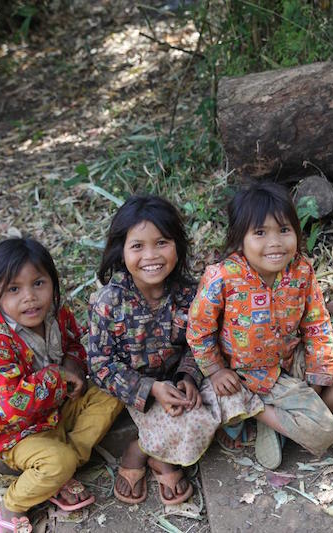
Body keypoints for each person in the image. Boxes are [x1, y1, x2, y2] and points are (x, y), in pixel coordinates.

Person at [187, 182, 333, 469]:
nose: (275, 242)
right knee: (326, 432)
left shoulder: (301, 270)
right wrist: (215, 370)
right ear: (240, 240)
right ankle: (256, 410)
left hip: (293, 357)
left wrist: (319, 372)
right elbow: (198, 329)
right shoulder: (222, 277)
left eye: (284, 230)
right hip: (253, 376)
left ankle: (281, 424)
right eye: (260, 233)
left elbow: (316, 323)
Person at [87, 196, 261, 505]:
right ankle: (141, 450)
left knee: (235, 390)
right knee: (190, 420)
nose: (151, 255)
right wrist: (152, 389)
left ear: (177, 246)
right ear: (121, 250)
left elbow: (201, 340)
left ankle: (157, 447)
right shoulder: (108, 303)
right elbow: (101, 366)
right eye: (137, 246)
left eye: (162, 242)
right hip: (141, 393)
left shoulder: (189, 293)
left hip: (184, 383)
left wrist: (188, 378)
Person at [0, 238, 122, 533]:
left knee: (110, 394)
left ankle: (62, 468)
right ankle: (11, 506)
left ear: (52, 282)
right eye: (14, 289)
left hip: (59, 411)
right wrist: (58, 376)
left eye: (38, 283)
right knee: (57, 461)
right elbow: (12, 404)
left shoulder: (57, 315)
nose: (30, 297)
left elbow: (75, 344)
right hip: (17, 433)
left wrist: (75, 365)